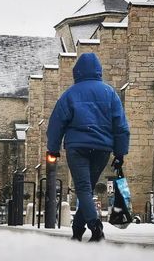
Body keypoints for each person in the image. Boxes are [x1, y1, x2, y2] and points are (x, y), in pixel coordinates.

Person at [47, 53, 129, 242]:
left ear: (78, 71)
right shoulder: (109, 93)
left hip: (77, 147)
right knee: (88, 187)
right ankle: (77, 230)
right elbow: (121, 126)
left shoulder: (70, 94)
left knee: (83, 188)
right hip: (102, 148)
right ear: (98, 70)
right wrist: (120, 152)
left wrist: (53, 148)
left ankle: (95, 226)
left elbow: (56, 124)